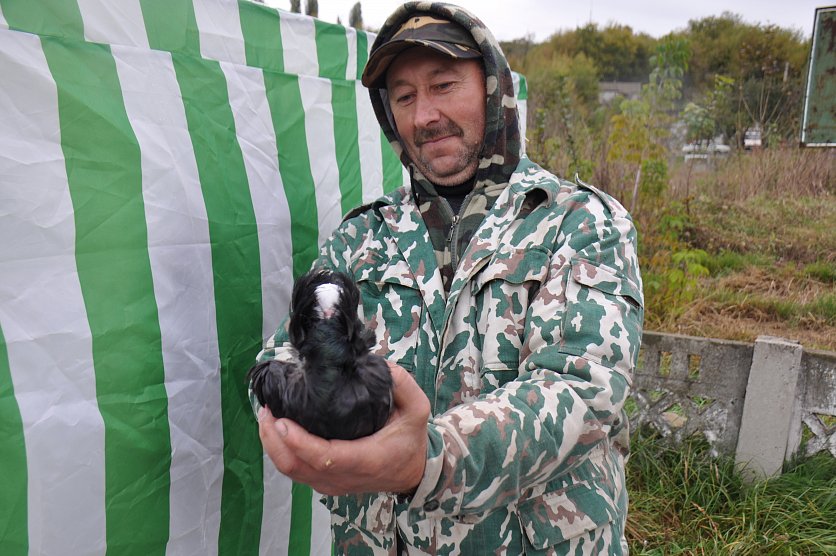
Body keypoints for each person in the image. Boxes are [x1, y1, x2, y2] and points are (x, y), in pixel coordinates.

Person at [254, 2, 644, 554]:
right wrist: (300, 411)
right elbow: (282, 357)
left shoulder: (579, 221)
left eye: (443, 85)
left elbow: (582, 388)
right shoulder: (362, 236)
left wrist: (426, 458)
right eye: (404, 97)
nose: (424, 116)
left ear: (492, 89)